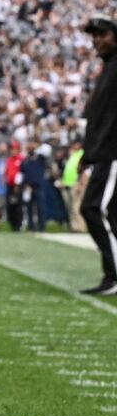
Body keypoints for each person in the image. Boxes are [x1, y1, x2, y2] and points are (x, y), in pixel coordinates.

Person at [75, 18, 117, 295]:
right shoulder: (108, 68)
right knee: (109, 213)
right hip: (104, 153)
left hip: (113, 154)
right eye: (93, 36)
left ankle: (113, 276)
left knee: (95, 209)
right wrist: (87, 154)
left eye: (102, 34)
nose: (96, 40)